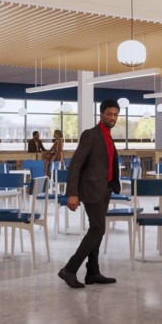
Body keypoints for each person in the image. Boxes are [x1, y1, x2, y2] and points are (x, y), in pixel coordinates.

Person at [58, 100, 122, 289]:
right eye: (109, 114)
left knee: (97, 229)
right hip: (91, 190)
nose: (112, 118)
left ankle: (92, 272)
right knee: (97, 229)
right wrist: (72, 194)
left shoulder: (108, 136)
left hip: (105, 189)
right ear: (101, 114)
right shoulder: (90, 135)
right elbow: (75, 165)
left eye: (115, 114)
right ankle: (69, 270)